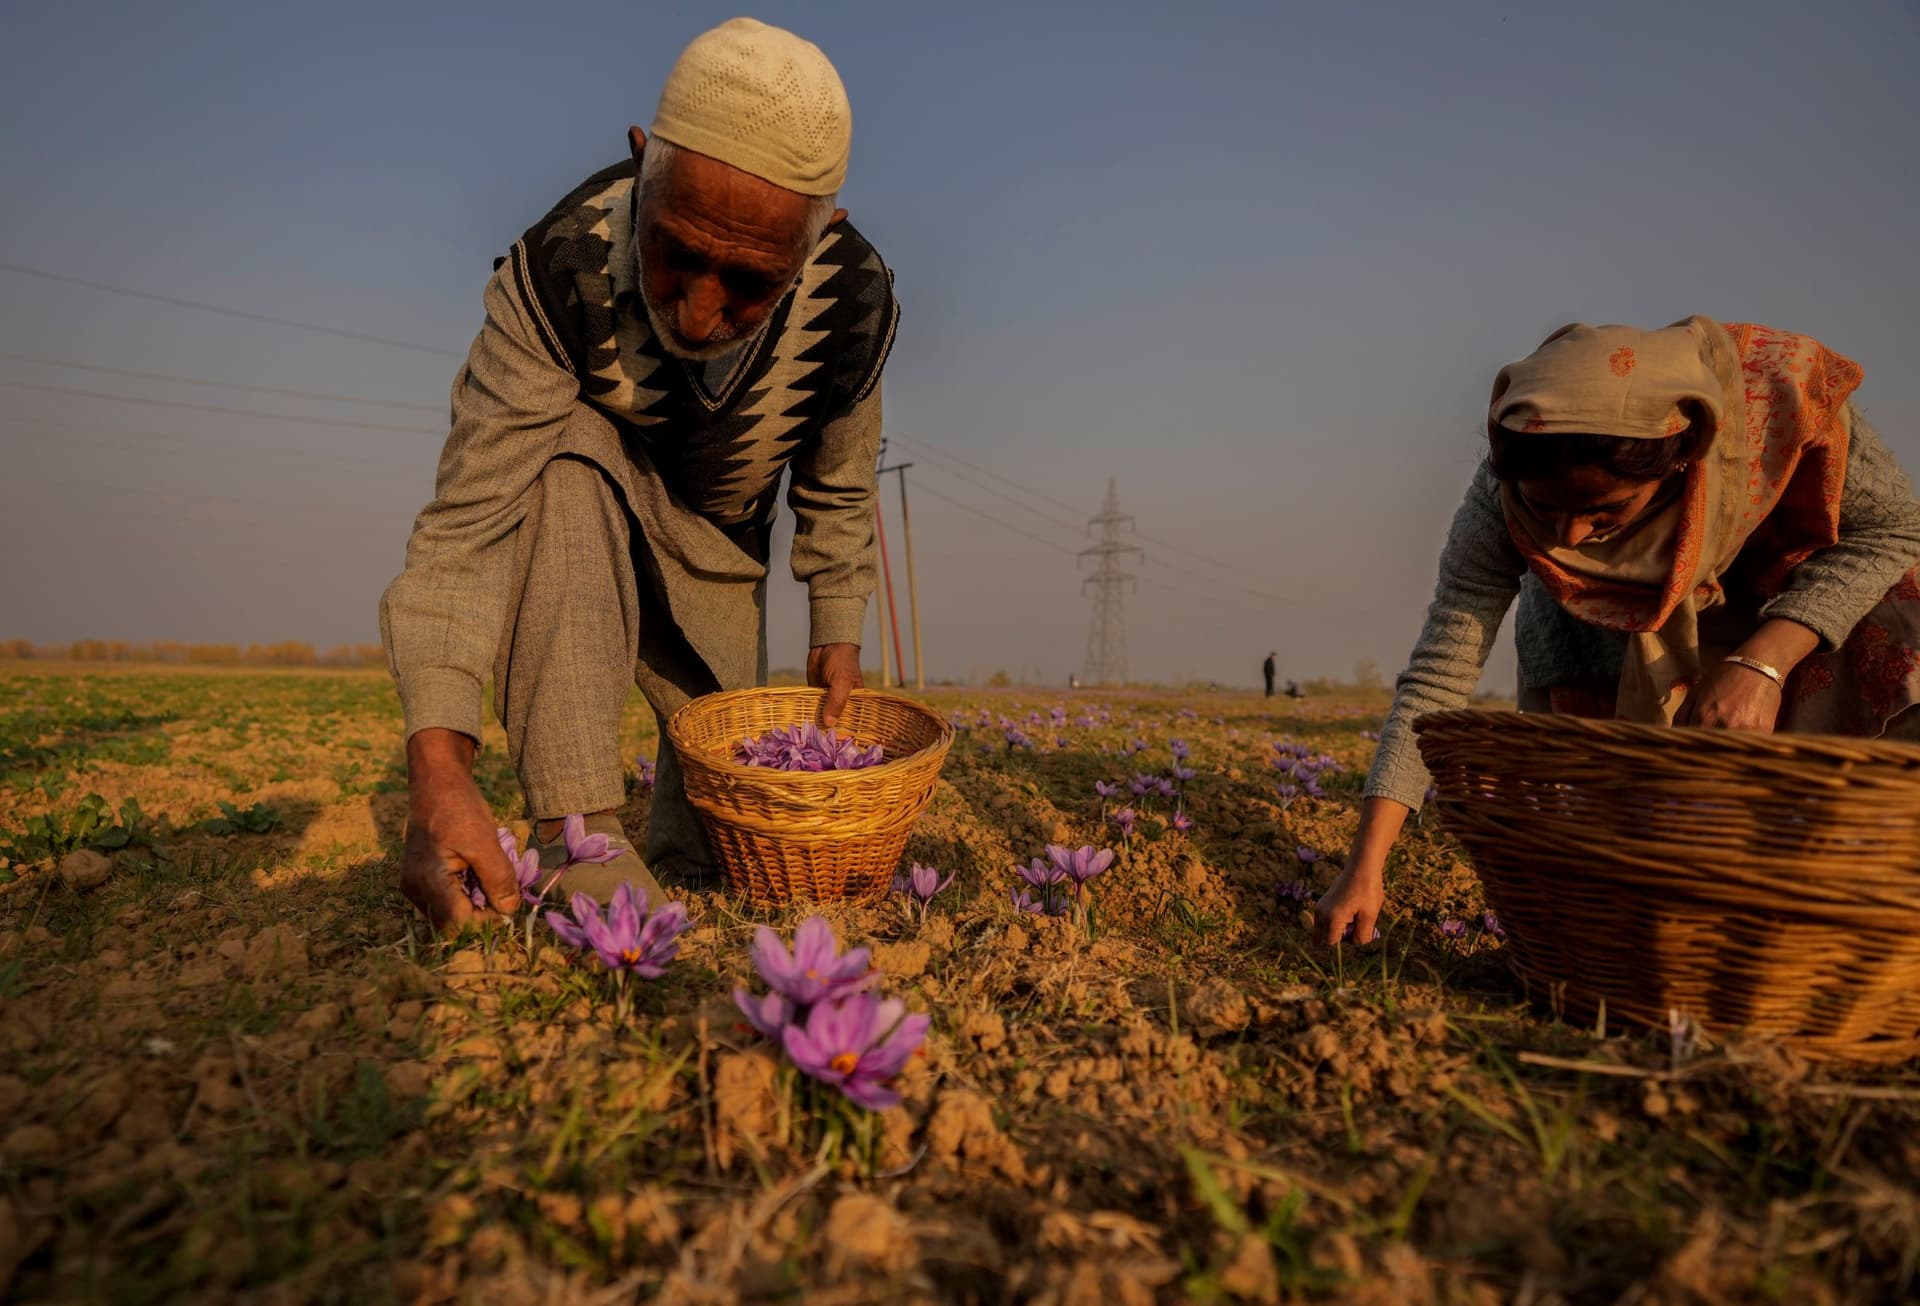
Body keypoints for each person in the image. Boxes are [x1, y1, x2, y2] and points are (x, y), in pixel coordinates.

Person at [381, 19, 899, 930]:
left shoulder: (850, 300)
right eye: (676, 252)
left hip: (722, 556)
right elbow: (468, 524)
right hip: (580, 526)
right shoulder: (558, 269)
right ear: (642, 164)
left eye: (750, 280)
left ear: (822, 234)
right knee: (567, 453)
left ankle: (667, 832)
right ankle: (572, 826)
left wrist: (837, 630)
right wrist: (437, 769)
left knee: (720, 849)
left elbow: (839, 484)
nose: (697, 315)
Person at [1317, 318, 1920, 947]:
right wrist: (1365, 865)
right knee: (1645, 868)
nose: (1569, 538)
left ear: (1682, 462)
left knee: (1905, 607)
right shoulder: (1505, 485)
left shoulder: (1780, 403)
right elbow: (1441, 669)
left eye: (1603, 510)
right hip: (1606, 645)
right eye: (1545, 509)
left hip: (1787, 610)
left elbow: (1895, 529)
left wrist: (1762, 662)